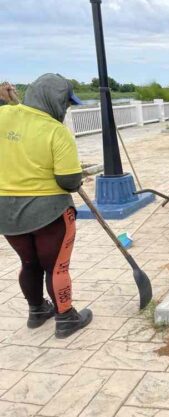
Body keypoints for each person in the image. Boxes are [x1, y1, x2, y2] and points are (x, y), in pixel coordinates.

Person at [0, 74, 93, 339]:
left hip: (7, 212)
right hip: (49, 212)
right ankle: (66, 318)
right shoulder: (55, 131)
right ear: (53, 100)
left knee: (29, 263)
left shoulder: (3, 116)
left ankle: (38, 310)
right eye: (65, 102)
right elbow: (69, 181)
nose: (65, 108)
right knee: (56, 267)